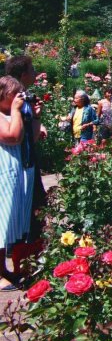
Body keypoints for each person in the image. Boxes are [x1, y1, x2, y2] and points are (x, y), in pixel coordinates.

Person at [0, 76, 36, 290]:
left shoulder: (11, 113)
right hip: (3, 175)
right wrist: (15, 111)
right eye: (15, 94)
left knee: (11, 223)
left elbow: (29, 138)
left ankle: (5, 271)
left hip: (15, 174)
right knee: (2, 224)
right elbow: (12, 136)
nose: (19, 98)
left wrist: (34, 117)